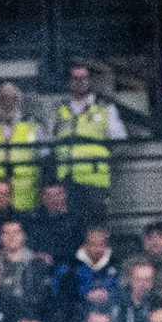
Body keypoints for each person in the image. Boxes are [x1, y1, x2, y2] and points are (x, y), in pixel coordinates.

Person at [54, 63, 126, 225]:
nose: (79, 81)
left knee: (96, 229)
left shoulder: (105, 108)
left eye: (83, 78)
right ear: (69, 82)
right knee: (71, 229)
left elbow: (121, 141)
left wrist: (104, 159)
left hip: (95, 181)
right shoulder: (61, 110)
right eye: (75, 78)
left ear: (90, 81)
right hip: (67, 179)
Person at [0, 82, 43, 213]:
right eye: (4, 98)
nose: (8, 102)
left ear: (19, 101)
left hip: (25, 195)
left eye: (12, 98)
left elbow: (44, 155)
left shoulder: (33, 125)